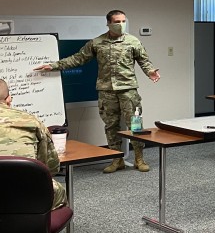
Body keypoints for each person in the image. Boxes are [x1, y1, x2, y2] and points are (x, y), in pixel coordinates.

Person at [35, 9, 160, 174]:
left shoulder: (133, 41)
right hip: (106, 90)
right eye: (117, 21)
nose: (121, 25)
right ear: (108, 23)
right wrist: (54, 65)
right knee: (111, 126)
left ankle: (139, 158)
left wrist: (150, 71)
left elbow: (144, 60)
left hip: (128, 90)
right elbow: (78, 58)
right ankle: (117, 159)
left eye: (123, 21)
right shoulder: (97, 42)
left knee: (135, 125)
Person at [0, 79, 67, 233]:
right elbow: (50, 167)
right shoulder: (31, 121)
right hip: (28, 196)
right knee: (56, 191)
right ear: (9, 99)